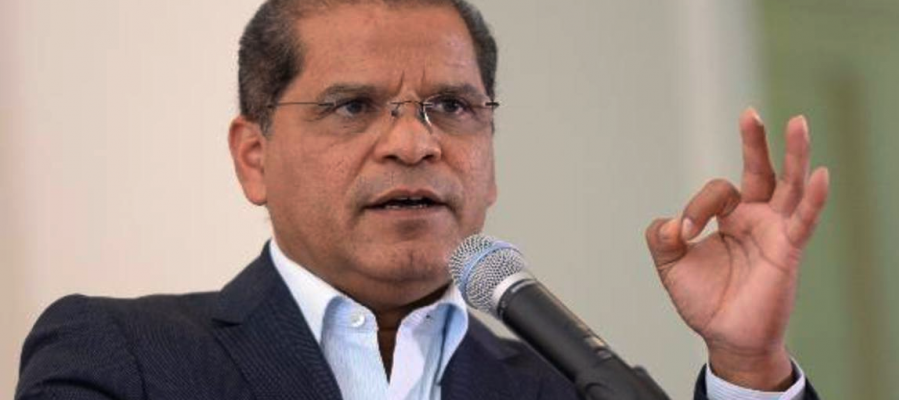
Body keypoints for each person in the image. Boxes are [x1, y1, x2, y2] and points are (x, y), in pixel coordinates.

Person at [16, 0, 828, 399]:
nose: (414, 143)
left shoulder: (566, 389)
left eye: (453, 106)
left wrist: (747, 366)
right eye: (352, 106)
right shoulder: (121, 357)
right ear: (253, 157)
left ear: (491, 160)